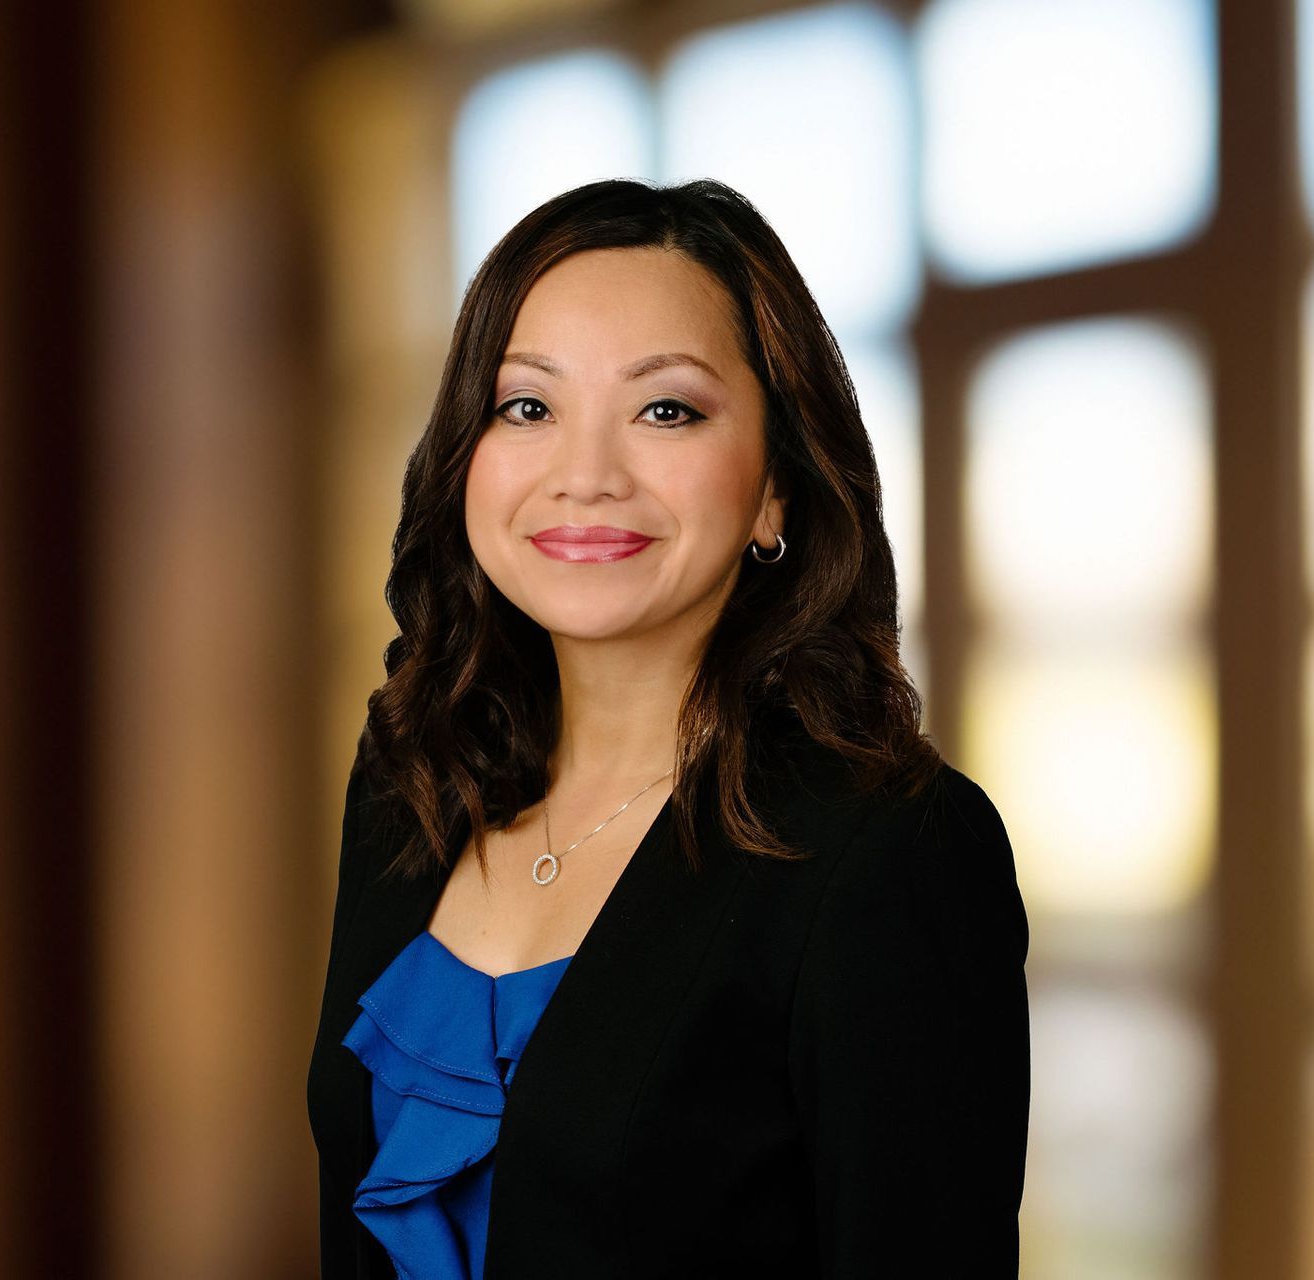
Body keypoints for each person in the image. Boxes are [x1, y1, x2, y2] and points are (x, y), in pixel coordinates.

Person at [306, 177, 1028, 1278]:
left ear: (777, 487)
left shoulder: (891, 851)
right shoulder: (413, 776)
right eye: (528, 406)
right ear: (466, 454)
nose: (585, 475)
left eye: (666, 408)